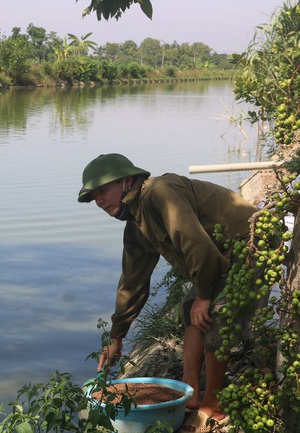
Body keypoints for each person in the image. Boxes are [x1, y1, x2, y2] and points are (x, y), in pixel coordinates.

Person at [77, 153, 258, 433]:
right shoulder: (136, 224)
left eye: (102, 191)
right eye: (94, 197)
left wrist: (205, 295)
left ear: (127, 180)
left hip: (251, 244)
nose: (99, 201)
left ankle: (214, 409)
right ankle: (189, 394)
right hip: (219, 256)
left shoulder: (160, 193)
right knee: (190, 310)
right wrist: (117, 336)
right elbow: (133, 282)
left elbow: (196, 245)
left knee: (213, 315)